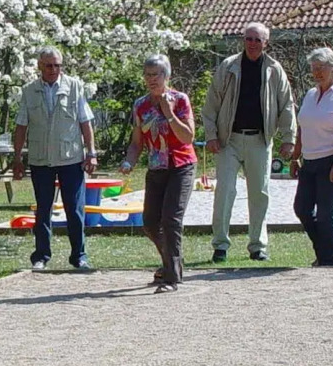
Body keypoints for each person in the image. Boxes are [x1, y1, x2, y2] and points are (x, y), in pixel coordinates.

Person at [201, 22, 297, 263]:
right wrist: (211, 135)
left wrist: (289, 138)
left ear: (266, 43)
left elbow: (286, 105)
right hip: (228, 140)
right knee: (224, 192)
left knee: (260, 193)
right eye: (248, 39)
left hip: (260, 139)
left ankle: (257, 246)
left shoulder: (275, 70)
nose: (252, 44)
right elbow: (211, 103)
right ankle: (220, 245)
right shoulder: (228, 66)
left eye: (257, 40)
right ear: (243, 41)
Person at [11, 48, 99, 273]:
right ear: (40, 66)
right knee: (43, 209)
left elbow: (85, 122)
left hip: (70, 158)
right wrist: (17, 158)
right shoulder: (29, 91)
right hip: (41, 159)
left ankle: (79, 256)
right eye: (49, 65)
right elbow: (21, 126)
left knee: (75, 209)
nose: (53, 70)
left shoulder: (74, 86)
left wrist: (91, 153)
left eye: (57, 65)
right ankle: (41, 256)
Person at [120, 54, 198, 293]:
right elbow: (137, 142)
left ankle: (172, 278)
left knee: (171, 219)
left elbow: (188, 137)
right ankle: (170, 263)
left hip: (181, 165)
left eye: (156, 74)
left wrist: (169, 113)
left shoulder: (179, 100)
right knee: (151, 223)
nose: (151, 79)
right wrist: (129, 161)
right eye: (147, 74)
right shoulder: (140, 105)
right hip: (156, 167)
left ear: (167, 76)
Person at [289, 47, 333, 267]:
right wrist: (295, 157)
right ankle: (324, 252)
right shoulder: (310, 94)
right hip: (309, 161)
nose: (317, 73)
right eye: (314, 68)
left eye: (321, 68)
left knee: (326, 214)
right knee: (302, 208)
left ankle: (329, 261)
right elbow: (302, 127)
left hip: (331, 160)